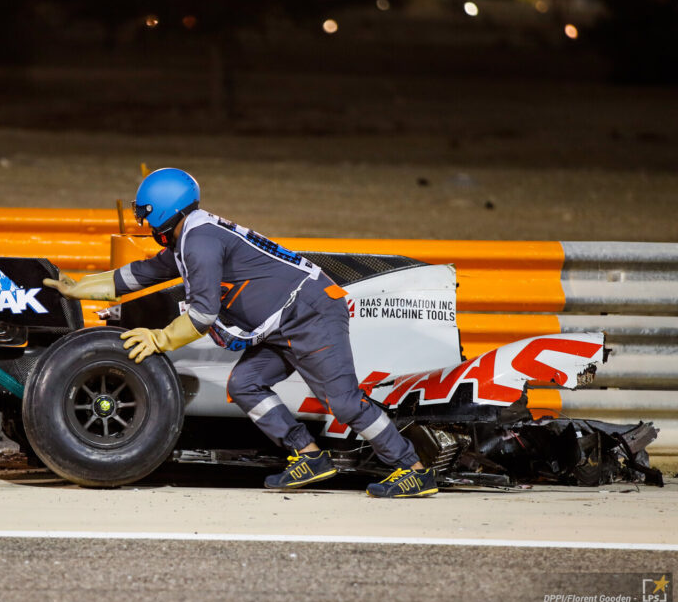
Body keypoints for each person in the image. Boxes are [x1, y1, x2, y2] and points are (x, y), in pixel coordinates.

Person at [43, 168, 438, 498]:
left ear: (165, 209)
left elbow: (201, 313)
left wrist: (158, 339)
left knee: (345, 403)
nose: (142, 221)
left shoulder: (198, 241)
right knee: (246, 383)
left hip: (310, 313)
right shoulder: (191, 236)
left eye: (145, 212)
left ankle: (413, 469)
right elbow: (138, 275)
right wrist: (78, 287)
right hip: (287, 318)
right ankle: (310, 457)